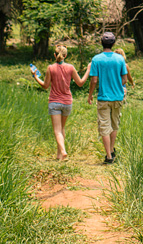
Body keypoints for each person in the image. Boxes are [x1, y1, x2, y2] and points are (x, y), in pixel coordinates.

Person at [31, 44, 88, 161]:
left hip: (54, 103)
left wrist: (36, 77)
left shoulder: (50, 68)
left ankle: (63, 151)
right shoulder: (71, 68)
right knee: (61, 129)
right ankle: (59, 156)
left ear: (54, 55)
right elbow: (81, 83)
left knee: (57, 130)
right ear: (66, 55)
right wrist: (88, 70)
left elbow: (45, 86)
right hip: (67, 102)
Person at [88, 31, 128, 164]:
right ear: (113, 43)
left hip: (103, 97)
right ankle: (111, 150)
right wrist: (118, 85)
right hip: (117, 97)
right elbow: (124, 78)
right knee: (114, 124)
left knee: (104, 126)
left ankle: (108, 157)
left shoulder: (96, 59)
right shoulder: (120, 59)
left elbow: (94, 80)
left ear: (101, 43)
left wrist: (90, 95)